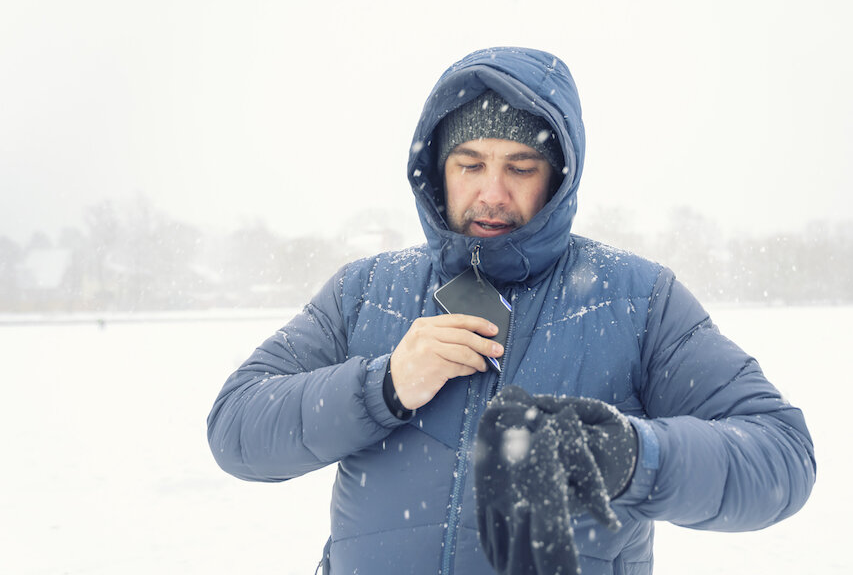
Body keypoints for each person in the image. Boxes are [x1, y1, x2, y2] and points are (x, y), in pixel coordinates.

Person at [207, 47, 815, 574]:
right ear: (437, 173)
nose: (492, 193)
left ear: (557, 178)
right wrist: (383, 386)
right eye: (470, 164)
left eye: (520, 168)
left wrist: (635, 455)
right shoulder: (365, 291)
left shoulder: (637, 300)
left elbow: (780, 455)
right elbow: (237, 428)